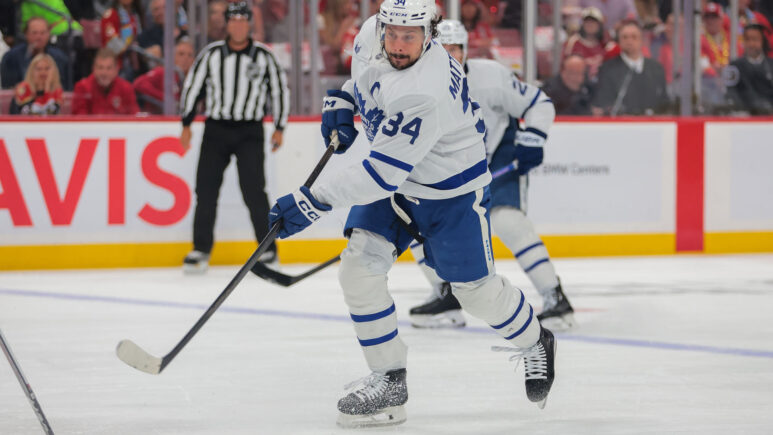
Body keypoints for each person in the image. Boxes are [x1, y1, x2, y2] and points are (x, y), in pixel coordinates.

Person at [268, 0, 556, 427]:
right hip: (399, 183)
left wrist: (312, 201)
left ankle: (536, 340)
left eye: (410, 36)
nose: (398, 44)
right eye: (392, 33)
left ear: (430, 34)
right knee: (358, 269)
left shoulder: (425, 88)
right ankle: (389, 381)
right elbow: (363, 80)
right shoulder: (371, 34)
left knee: (475, 294)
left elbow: (379, 174)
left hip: (450, 192)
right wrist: (342, 100)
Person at [408, 20, 574, 330]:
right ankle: (447, 293)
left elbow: (538, 103)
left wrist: (533, 137)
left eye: (455, 49)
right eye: (443, 49)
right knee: (414, 221)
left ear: (465, 51)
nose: (450, 56)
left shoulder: (491, 77)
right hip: (451, 167)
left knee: (507, 220)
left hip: (497, 156)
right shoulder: (414, 85)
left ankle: (555, 297)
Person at [178, 1, 289, 273]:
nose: (238, 25)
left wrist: (279, 126)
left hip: (250, 130)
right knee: (206, 189)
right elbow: (193, 87)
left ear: (249, 24)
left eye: (243, 20)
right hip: (216, 129)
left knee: (254, 190)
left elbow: (279, 91)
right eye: (233, 20)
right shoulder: (211, 54)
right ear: (226, 24)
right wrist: (186, 123)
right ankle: (201, 248)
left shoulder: (264, 56)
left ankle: (267, 249)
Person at [591, 20, 669, 116]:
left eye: (634, 37)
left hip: (652, 122)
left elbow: (663, 101)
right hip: (621, 122)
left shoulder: (656, 68)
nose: (629, 41)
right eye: (625, 37)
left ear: (641, 40)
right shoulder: (607, 69)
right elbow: (604, 102)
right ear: (619, 41)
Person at [1, 17, 71, 90]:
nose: (38, 37)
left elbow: (66, 88)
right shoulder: (11, 58)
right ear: (26, 34)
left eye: (42, 33)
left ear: (49, 34)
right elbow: (8, 89)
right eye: (34, 33)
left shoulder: (60, 58)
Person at [133, 38, 195, 113]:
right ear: (172, 57)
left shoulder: (194, 80)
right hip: (159, 117)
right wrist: (166, 99)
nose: (186, 58)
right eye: (181, 54)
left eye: (190, 55)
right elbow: (139, 84)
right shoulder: (163, 72)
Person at [71, 48, 139, 115]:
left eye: (109, 68)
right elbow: (80, 118)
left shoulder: (126, 88)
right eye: (100, 67)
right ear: (93, 69)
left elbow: (134, 116)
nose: (104, 73)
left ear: (116, 69)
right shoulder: (82, 87)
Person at [726, 24, 773, 115]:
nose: (751, 44)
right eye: (747, 39)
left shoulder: (771, 65)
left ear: (762, 41)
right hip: (746, 115)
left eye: (755, 39)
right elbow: (731, 92)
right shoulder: (734, 66)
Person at [101, 0, 143, 80]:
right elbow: (113, 46)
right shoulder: (111, 15)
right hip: (117, 66)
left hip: (135, 64)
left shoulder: (135, 15)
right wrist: (131, 46)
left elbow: (141, 38)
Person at [563, 7, 607, 81]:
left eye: (593, 22)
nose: (590, 24)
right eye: (587, 21)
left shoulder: (604, 44)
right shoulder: (572, 43)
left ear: (600, 25)